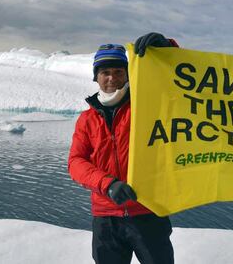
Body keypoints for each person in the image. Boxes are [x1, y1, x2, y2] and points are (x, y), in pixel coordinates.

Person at [68, 33, 179, 264]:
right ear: (96, 77)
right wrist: (107, 184)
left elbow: (176, 86)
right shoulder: (87, 120)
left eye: (118, 72)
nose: (111, 78)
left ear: (128, 75)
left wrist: (167, 52)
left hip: (148, 211)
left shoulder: (146, 106)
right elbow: (76, 162)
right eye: (105, 72)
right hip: (106, 218)